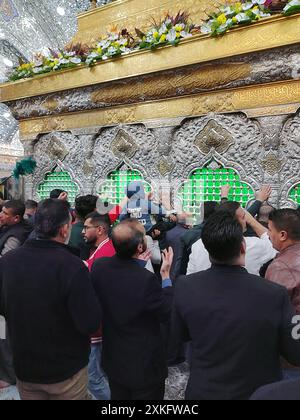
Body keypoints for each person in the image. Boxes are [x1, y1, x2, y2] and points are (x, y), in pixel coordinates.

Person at [172, 211, 300, 400]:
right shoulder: (273, 294)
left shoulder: (185, 287)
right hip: (258, 392)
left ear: (208, 249)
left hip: (206, 390)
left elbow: (176, 341)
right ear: (243, 247)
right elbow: (294, 352)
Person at [0, 199, 101, 400]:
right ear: (64, 230)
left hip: (25, 367)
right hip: (65, 373)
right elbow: (89, 322)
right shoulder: (72, 266)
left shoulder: (8, 262)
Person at [91, 219, 174, 400]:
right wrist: (166, 278)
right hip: (143, 363)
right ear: (139, 248)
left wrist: (137, 267)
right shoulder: (146, 280)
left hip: (114, 358)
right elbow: (166, 311)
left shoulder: (100, 266)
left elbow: (121, 285)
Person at [188, 201, 276, 276]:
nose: (245, 220)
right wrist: (252, 221)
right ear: (242, 247)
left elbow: (191, 276)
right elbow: (275, 245)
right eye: (243, 217)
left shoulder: (197, 245)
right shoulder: (253, 244)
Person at [83, 212, 115, 400]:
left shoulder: (106, 253)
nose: (83, 231)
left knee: (93, 377)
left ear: (100, 229)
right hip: (101, 321)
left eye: (87, 228)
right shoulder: (102, 248)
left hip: (99, 324)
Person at [266, 209, 300, 314]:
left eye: (270, 230)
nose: (267, 234)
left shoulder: (280, 267)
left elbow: (272, 309)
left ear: (282, 235)